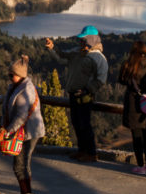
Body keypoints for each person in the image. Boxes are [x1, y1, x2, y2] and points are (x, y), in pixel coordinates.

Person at [45, 25, 108, 162]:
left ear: (91, 40)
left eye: (84, 40)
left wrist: (87, 90)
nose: (81, 43)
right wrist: (51, 48)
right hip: (73, 94)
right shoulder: (77, 53)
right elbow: (61, 57)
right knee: (76, 123)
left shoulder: (98, 58)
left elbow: (101, 79)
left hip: (85, 96)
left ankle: (91, 153)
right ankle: (82, 151)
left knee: (85, 124)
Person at [1, 54, 45, 194]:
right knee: (21, 165)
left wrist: (8, 131)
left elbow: (21, 116)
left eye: (11, 75)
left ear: (19, 75)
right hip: (24, 131)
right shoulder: (17, 86)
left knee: (20, 165)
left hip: (28, 132)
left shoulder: (25, 90)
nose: (9, 77)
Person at [118, 41, 146, 174]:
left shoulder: (129, 65)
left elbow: (121, 80)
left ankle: (140, 166)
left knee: (137, 136)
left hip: (133, 103)